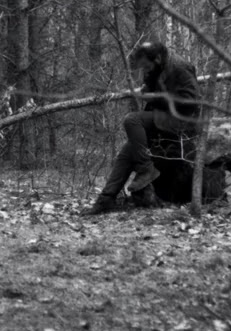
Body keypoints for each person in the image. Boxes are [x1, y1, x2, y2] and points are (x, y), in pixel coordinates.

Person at [82, 41, 201, 215]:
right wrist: (148, 87)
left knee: (132, 120)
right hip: (163, 116)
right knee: (128, 150)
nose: (145, 70)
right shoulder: (157, 66)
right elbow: (154, 84)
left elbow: (191, 101)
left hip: (181, 121)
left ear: (157, 58)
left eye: (147, 66)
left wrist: (155, 97)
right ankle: (105, 199)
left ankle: (146, 170)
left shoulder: (180, 67)